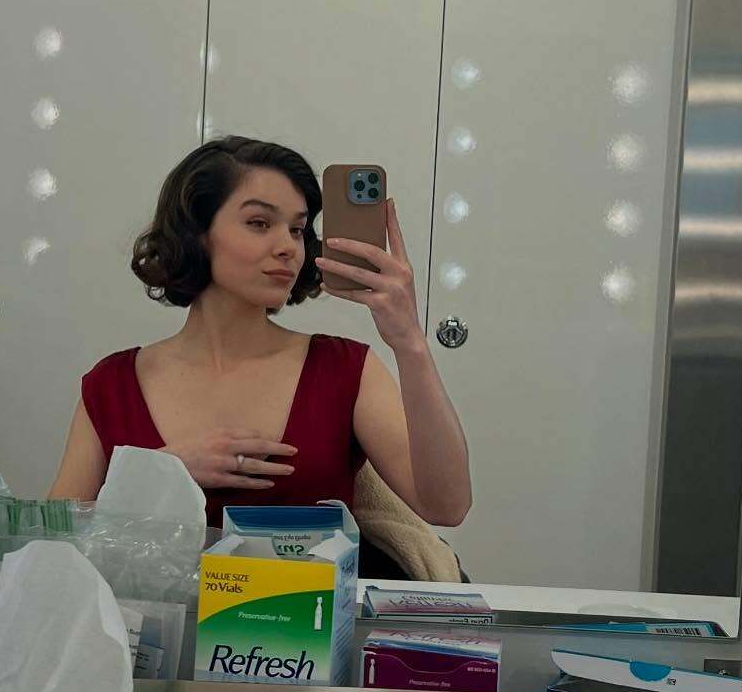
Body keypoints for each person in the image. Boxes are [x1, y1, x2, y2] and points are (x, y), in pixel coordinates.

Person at [49, 136, 472, 546]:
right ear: (195, 232)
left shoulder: (345, 369)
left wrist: (409, 342)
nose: (288, 247)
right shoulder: (111, 385)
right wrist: (162, 474)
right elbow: (51, 540)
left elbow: (447, 506)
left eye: (297, 229)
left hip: (314, 598)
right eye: (259, 223)